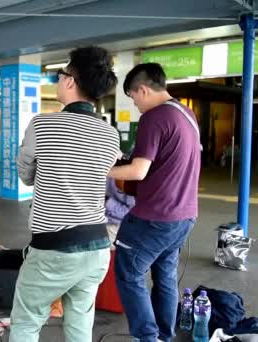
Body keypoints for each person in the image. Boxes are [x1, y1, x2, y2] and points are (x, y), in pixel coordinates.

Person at [10, 46, 120, 342]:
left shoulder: (42, 124)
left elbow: (25, 175)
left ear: (70, 80)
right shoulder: (110, 134)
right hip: (97, 247)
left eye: (60, 75)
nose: (59, 80)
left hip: (54, 248)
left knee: (26, 322)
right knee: (80, 326)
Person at [109, 63, 201, 342]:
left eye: (134, 97)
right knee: (164, 277)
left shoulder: (154, 117)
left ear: (144, 89)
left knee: (128, 274)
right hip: (184, 215)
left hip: (155, 217)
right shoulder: (186, 114)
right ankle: (163, 335)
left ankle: (147, 338)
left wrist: (99, 169)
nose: (135, 104)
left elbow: (138, 171)